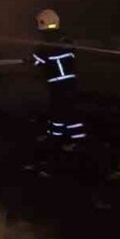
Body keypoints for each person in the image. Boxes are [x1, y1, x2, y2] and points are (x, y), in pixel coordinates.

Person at [32, 9, 85, 144]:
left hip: (61, 84)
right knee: (58, 110)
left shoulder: (49, 44)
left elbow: (40, 59)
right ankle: (56, 136)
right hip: (65, 83)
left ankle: (77, 141)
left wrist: (31, 59)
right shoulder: (63, 39)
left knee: (66, 111)